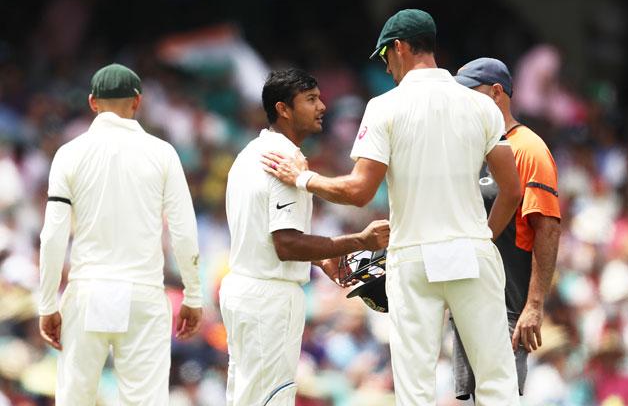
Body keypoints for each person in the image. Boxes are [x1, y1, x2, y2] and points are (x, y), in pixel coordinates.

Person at [262, 10, 522, 405]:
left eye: (385, 56)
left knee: (415, 389)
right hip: (472, 251)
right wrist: (484, 235)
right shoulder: (481, 106)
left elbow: (359, 191)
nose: (386, 66)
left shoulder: (385, 106)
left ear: (399, 48)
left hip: (415, 256)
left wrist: (303, 178)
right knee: (498, 382)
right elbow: (512, 189)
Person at [221, 68, 390, 405]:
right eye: (311, 100)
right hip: (270, 296)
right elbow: (286, 244)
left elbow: (269, 231)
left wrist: (321, 256)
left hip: (242, 289)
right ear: (283, 109)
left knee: (245, 397)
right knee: (271, 398)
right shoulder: (288, 160)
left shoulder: (248, 154)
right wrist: (361, 241)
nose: (322, 106)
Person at [38, 63, 203, 405]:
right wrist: (193, 295)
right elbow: (184, 230)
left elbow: (53, 235)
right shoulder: (162, 153)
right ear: (138, 102)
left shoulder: (68, 154)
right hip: (143, 293)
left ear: (92, 102)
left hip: (88, 290)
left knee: (74, 399)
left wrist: (47, 303)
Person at [451, 57, 562, 400]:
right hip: (470, 297)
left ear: (497, 93)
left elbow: (548, 229)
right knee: (472, 398)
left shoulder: (528, 148)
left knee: (501, 397)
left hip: (508, 303)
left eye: (472, 93)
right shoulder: (472, 148)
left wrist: (534, 305)